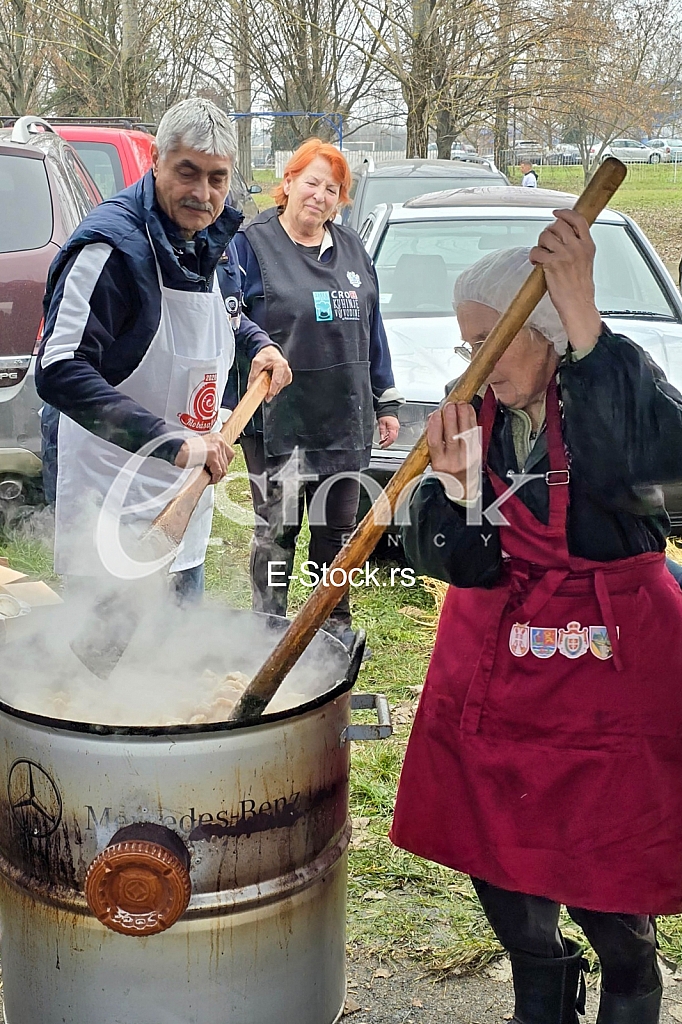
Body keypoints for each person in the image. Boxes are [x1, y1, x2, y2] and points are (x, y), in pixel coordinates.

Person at [391, 211, 682, 1023]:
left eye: (491, 340)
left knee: (607, 880)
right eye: (468, 346)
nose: (476, 366)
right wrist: (458, 494)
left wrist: (586, 318)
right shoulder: (472, 417)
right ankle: (541, 995)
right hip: (497, 672)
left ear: (547, 331)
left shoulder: (605, 388)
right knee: (500, 862)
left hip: (609, 676)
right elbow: (461, 564)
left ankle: (632, 984)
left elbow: (658, 475)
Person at [35, 98, 290, 599]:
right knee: (108, 643)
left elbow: (223, 314)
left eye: (217, 178)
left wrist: (257, 343)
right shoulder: (110, 249)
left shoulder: (211, 240)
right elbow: (59, 368)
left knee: (176, 638)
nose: (202, 193)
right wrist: (171, 443)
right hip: (110, 496)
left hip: (184, 493)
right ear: (155, 159)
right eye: (187, 172)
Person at [229, 138, 403, 651]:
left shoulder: (351, 249)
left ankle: (333, 630)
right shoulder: (251, 245)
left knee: (336, 534)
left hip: (342, 414)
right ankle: (268, 632)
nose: (320, 196)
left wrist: (385, 399)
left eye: (332, 189)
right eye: (312, 183)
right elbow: (229, 319)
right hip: (276, 418)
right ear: (288, 183)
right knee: (277, 532)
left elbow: (371, 328)